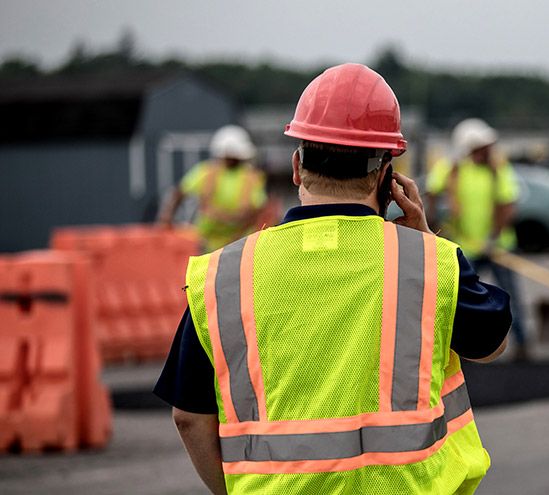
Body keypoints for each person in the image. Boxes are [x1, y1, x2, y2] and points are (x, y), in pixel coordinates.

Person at [154, 64, 511, 495]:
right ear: (387, 177)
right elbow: (492, 345)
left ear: (296, 166)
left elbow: (188, 416)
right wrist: (426, 237)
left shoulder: (221, 277)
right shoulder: (430, 262)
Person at [426, 119, 529, 359]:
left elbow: (507, 204)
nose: (488, 150)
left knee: (510, 295)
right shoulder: (452, 169)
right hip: (467, 248)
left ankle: (523, 345)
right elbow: (432, 191)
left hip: (498, 246)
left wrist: (494, 238)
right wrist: (436, 223)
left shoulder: (498, 170)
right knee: (461, 298)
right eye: (482, 146)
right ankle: (461, 349)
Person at [158, 125, 268, 252]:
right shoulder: (207, 172)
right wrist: (166, 220)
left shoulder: (251, 178)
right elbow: (179, 193)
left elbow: (258, 210)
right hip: (208, 241)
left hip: (238, 242)